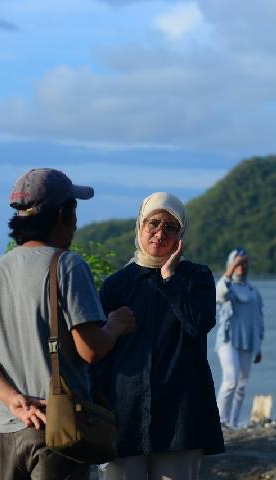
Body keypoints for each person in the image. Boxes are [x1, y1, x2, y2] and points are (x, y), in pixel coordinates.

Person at [0, 168, 135, 480]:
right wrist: (116, 324)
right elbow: (91, 350)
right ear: (62, 216)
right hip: (59, 428)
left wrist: (13, 399)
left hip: (7, 428)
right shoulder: (68, 265)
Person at [94, 192, 224, 480]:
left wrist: (170, 278)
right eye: (153, 223)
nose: (159, 233)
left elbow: (199, 325)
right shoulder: (117, 285)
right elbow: (100, 352)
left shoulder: (196, 277)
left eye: (170, 226)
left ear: (181, 234)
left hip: (180, 413)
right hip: (125, 411)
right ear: (140, 226)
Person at [215, 247, 264, 428]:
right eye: (237, 263)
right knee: (230, 381)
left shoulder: (253, 291)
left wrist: (258, 347)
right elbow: (219, 293)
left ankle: (233, 422)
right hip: (228, 341)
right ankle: (220, 421)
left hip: (248, 342)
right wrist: (230, 268)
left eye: (244, 263)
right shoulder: (228, 286)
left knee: (242, 386)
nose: (241, 267)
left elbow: (258, 320)